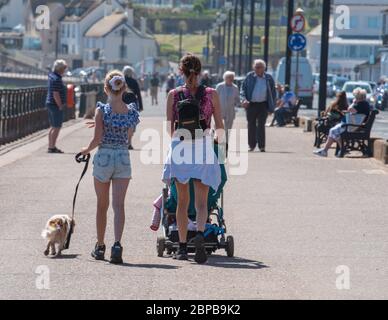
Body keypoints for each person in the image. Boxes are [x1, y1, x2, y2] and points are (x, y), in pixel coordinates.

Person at [162, 53, 224, 264]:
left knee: (181, 201)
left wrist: (176, 144)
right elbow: (220, 128)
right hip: (203, 146)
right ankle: (198, 234)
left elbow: (170, 128)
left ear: (181, 71)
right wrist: (219, 150)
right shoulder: (212, 93)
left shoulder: (174, 94)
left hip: (181, 147)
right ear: (200, 71)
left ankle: (181, 247)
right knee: (201, 202)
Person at [80, 70, 140, 264]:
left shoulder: (101, 111)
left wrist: (85, 150)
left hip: (104, 156)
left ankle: (100, 245)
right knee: (119, 206)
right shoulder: (131, 111)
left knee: (101, 205)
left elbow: (97, 139)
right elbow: (129, 134)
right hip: (123, 156)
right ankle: (117, 245)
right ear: (124, 88)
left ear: (106, 88)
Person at [314, 88, 370, 157]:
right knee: (334, 131)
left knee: (333, 131)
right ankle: (335, 150)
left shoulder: (360, 105)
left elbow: (349, 109)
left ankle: (333, 150)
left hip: (352, 126)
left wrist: (353, 102)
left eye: (355, 96)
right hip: (356, 125)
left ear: (358, 97)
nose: (354, 97)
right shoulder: (366, 104)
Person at [240, 59, 276, 152]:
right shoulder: (249, 76)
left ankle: (262, 146)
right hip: (251, 104)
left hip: (263, 105)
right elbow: (243, 89)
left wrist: (271, 106)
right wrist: (243, 99)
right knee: (251, 125)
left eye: (259, 67)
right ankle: (251, 145)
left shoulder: (268, 78)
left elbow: (273, 93)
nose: (256, 69)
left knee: (261, 125)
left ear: (264, 68)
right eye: (255, 67)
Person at [46, 59, 68, 154]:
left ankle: (51, 146)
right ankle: (52, 147)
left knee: (53, 126)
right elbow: (56, 94)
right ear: (60, 69)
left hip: (50, 103)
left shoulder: (52, 76)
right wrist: (60, 105)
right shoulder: (56, 79)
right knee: (57, 126)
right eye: (64, 68)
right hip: (55, 105)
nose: (65, 70)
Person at [216, 71, 240, 142]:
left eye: (232, 77)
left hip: (230, 110)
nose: (231, 79)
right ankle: (218, 140)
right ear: (225, 78)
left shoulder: (235, 87)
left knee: (228, 128)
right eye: (229, 77)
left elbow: (237, 99)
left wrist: (239, 103)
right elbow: (215, 97)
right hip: (220, 110)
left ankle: (226, 142)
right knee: (218, 126)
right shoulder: (219, 86)